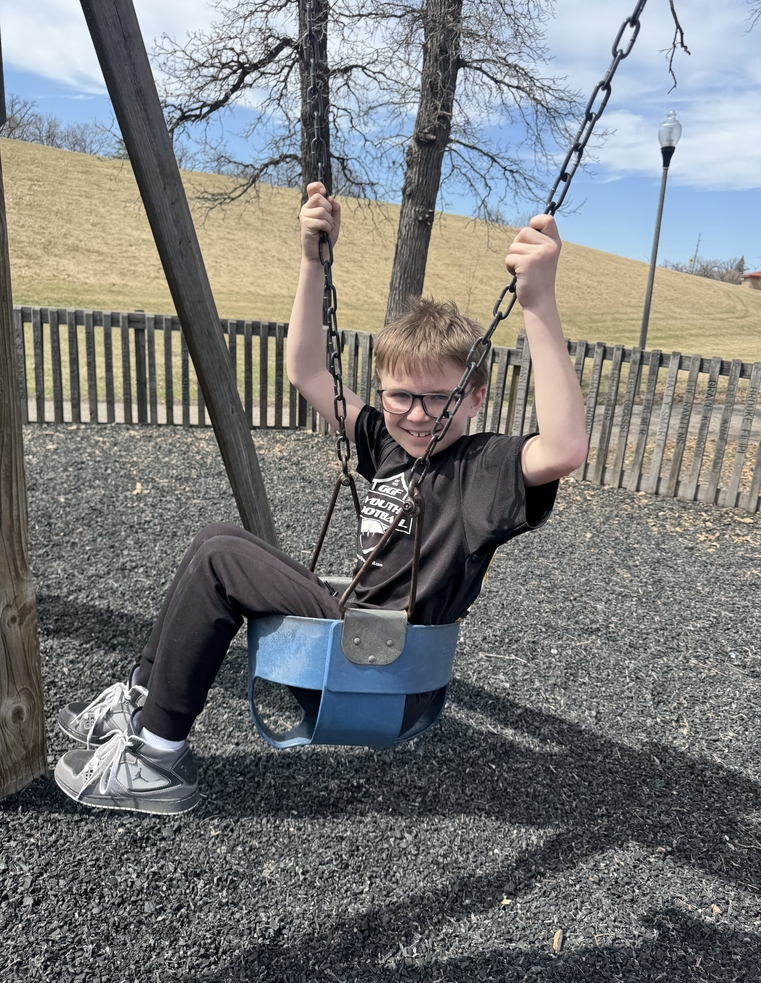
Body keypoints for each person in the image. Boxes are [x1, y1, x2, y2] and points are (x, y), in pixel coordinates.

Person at [53, 182, 587, 815]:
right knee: (212, 543)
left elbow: (562, 448)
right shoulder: (389, 445)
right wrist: (312, 258)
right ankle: (143, 701)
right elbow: (308, 372)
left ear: (474, 398)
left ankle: (155, 755)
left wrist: (539, 304)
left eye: (439, 398)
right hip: (348, 646)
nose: (417, 416)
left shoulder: (482, 469)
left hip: (383, 673)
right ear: (383, 392)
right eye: (399, 395)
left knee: (222, 554)